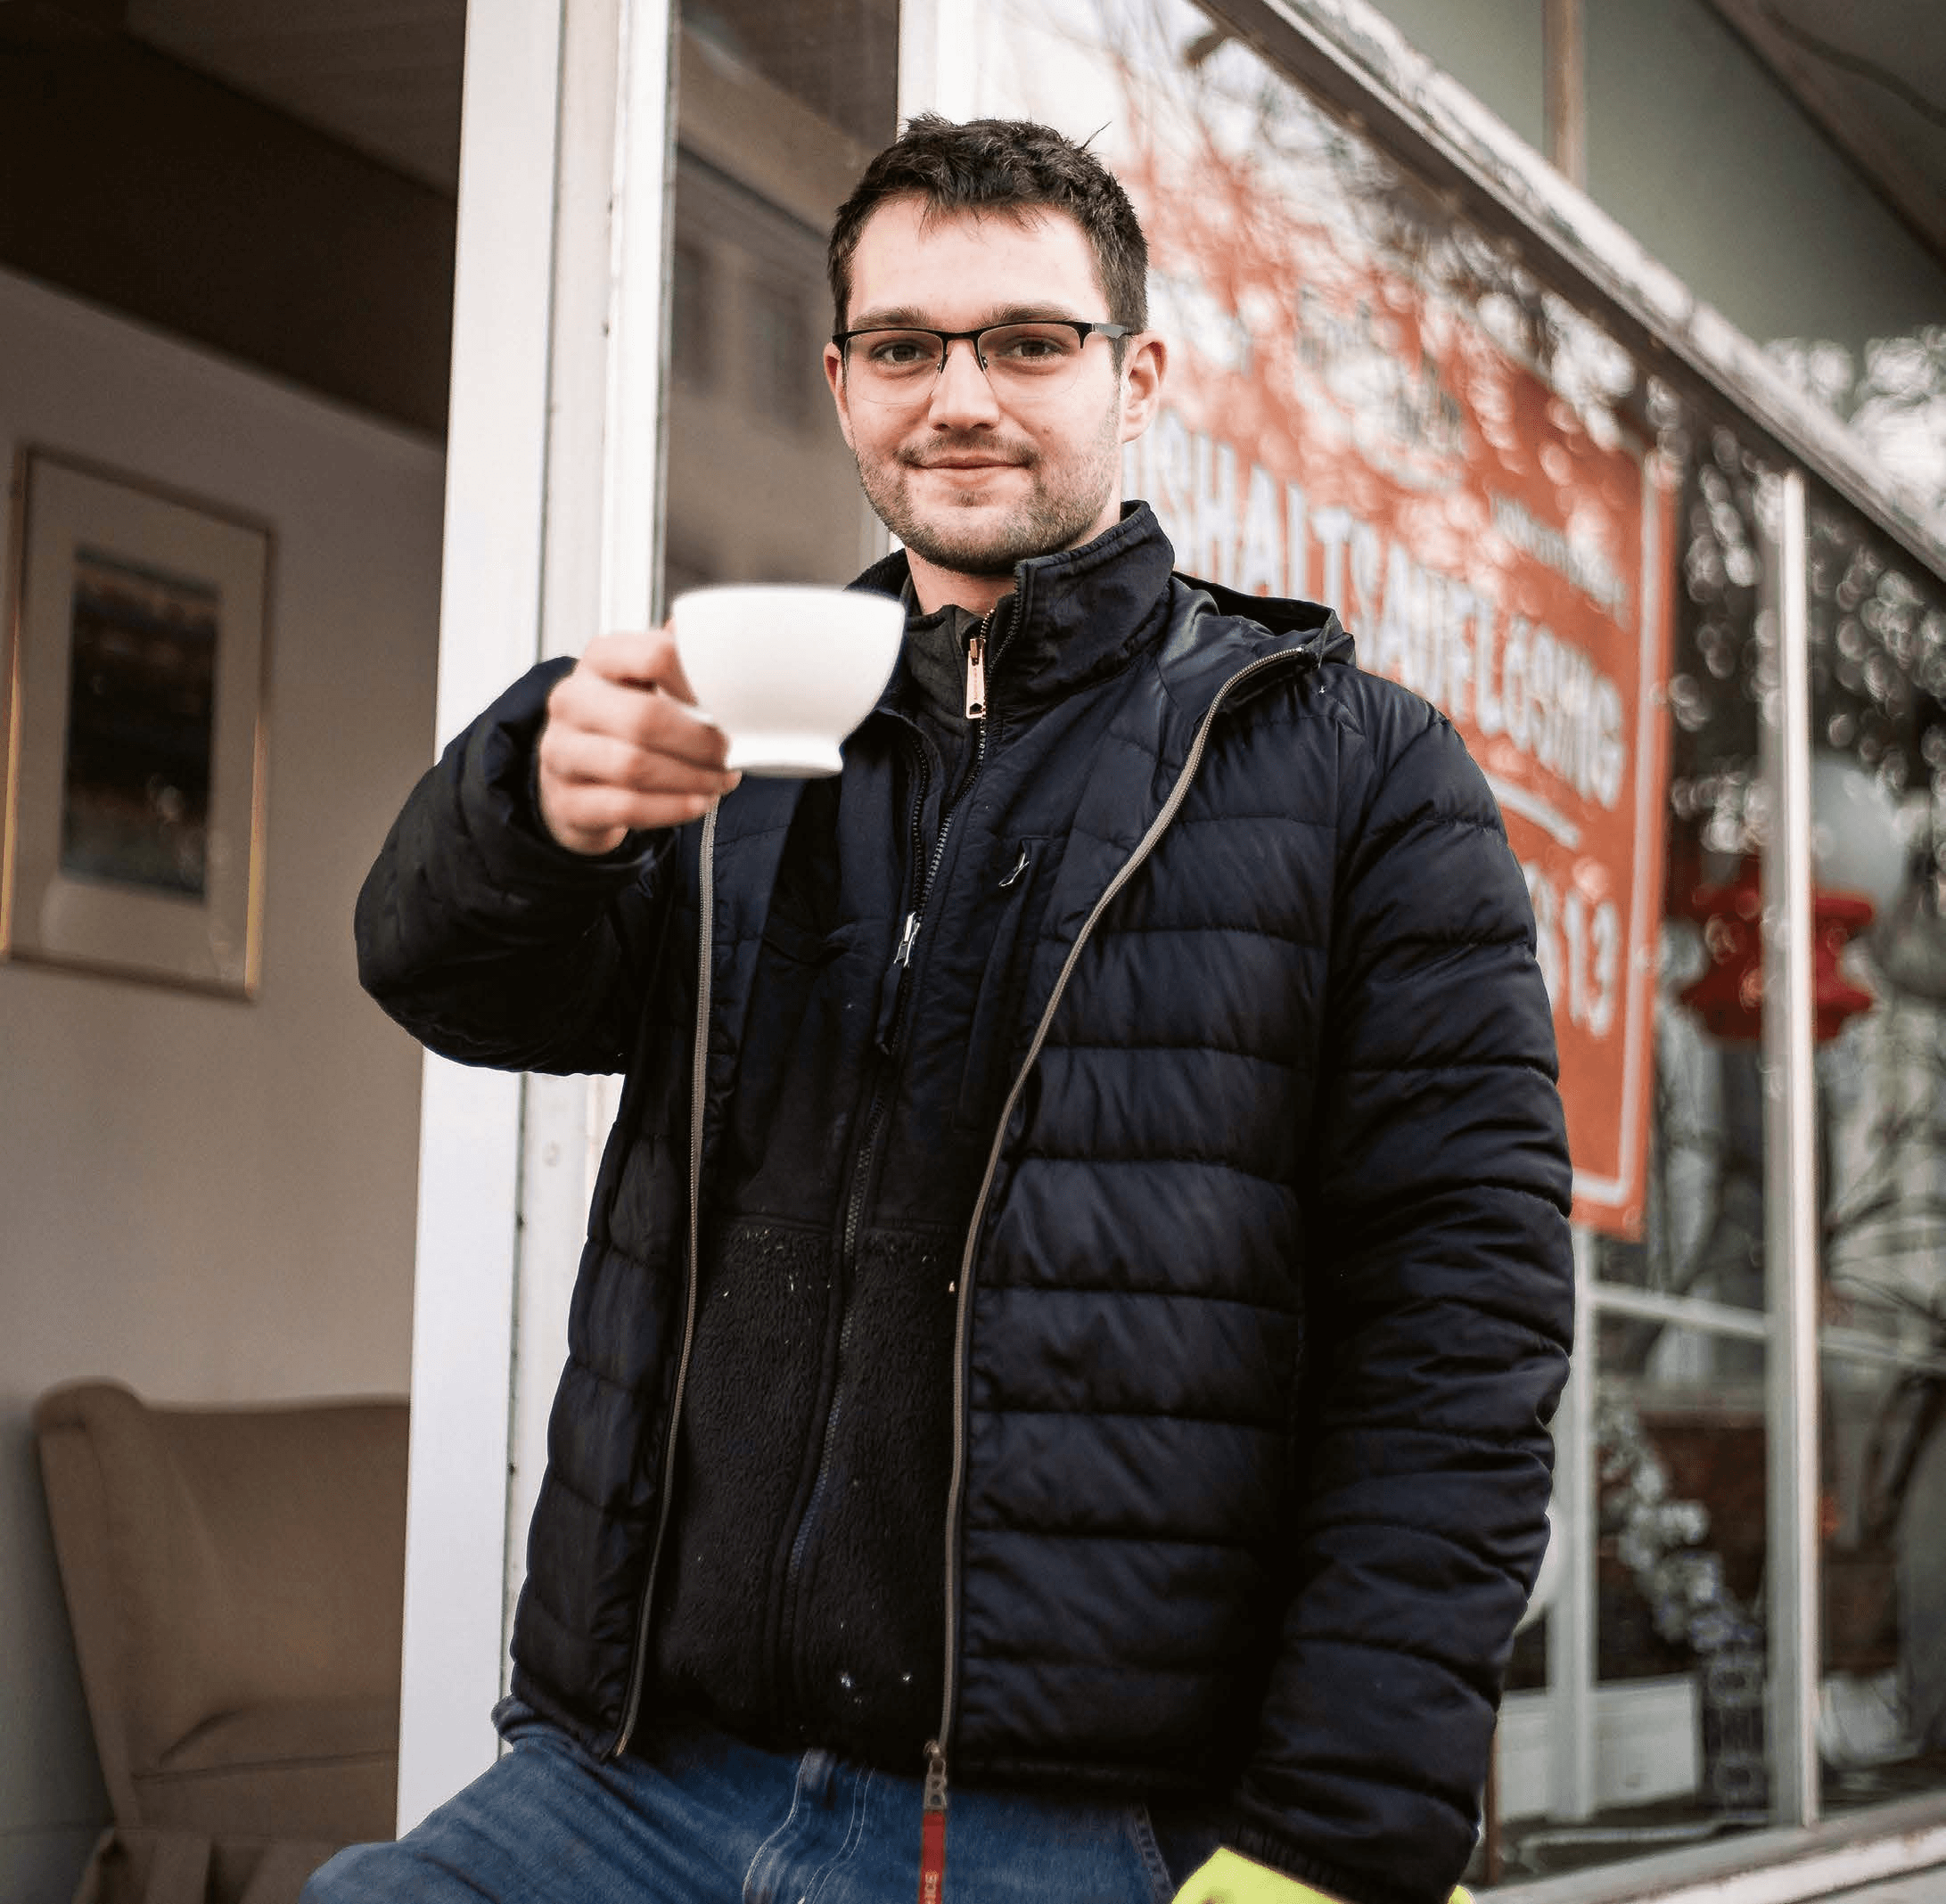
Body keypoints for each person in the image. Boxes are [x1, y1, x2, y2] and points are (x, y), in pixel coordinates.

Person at [320, 118, 1572, 1904]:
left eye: (1025, 341)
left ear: (1134, 374)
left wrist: (1330, 1845)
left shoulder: (1358, 773)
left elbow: (1459, 1341)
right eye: (903, 346)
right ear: (839, 384)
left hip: (1091, 1823)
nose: (958, 394)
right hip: (646, 1786)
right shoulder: (719, 731)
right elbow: (449, 970)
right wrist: (529, 802)